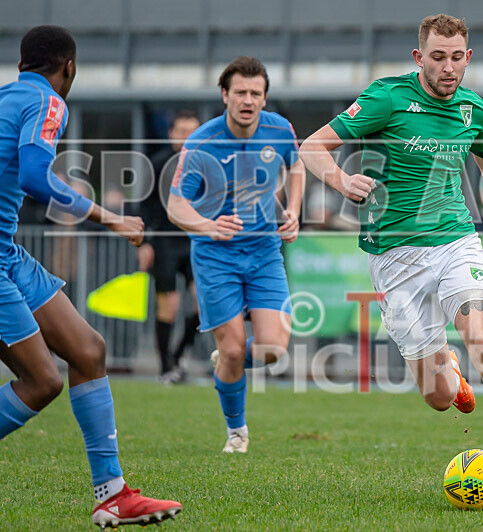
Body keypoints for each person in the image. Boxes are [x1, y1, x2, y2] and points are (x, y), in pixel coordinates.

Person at [299, 14, 483, 502]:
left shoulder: (473, 108)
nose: (448, 68)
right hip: (394, 258)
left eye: (457, 57)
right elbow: (313, 147)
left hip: (457, 241)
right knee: (438, 398)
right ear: (420, 58)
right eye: (438, 57)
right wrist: (340, 180)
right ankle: (448, 372)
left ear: (468, 58)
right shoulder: (387, 97)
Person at [0, 26, 182, 528]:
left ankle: (112, 495)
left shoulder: (7, 96)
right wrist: (110, 216)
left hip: (8, 253)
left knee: (87, 350)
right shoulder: (48, 100)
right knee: (40, 381)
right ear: (69, 68)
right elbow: (38, 178)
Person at [167, 57, 305, 454]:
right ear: (225, 95)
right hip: (216, 257)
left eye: (256, 94)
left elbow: (295, 168)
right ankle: (236, 432)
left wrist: (293, 210)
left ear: (264, 98)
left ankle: (227, 361)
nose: (248, 100)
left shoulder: (280, 129)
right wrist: (207, 226)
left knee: (274, 348)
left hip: (264, 252)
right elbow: (177, 205)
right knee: (231, 348)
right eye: (240, 92)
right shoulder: (201, 143)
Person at [137, 111, 201, 384]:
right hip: (164, 243)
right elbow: (144, 206)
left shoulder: (205, 163)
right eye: (182, 130)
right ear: (171, 133)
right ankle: (165, 368)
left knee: (204, 305)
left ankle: (178, 355)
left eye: (193, 131)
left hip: (196, 242)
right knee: (169, 307)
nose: (187, 136)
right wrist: (145, 243)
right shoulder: (159, 163)